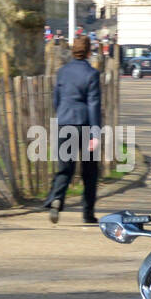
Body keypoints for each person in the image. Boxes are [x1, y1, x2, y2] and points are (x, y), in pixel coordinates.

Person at [41, 35, 102, 225]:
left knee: (65, 167)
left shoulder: (62, 72)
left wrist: (61, 115)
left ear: (73, 50)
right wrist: (95, 134)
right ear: (89, 52)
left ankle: (56, 199)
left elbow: (56, 99)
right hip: (84, 123)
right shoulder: (91, 74)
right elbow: (93, 105)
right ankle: (87, 213)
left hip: (64, 122)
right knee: (89, 171)